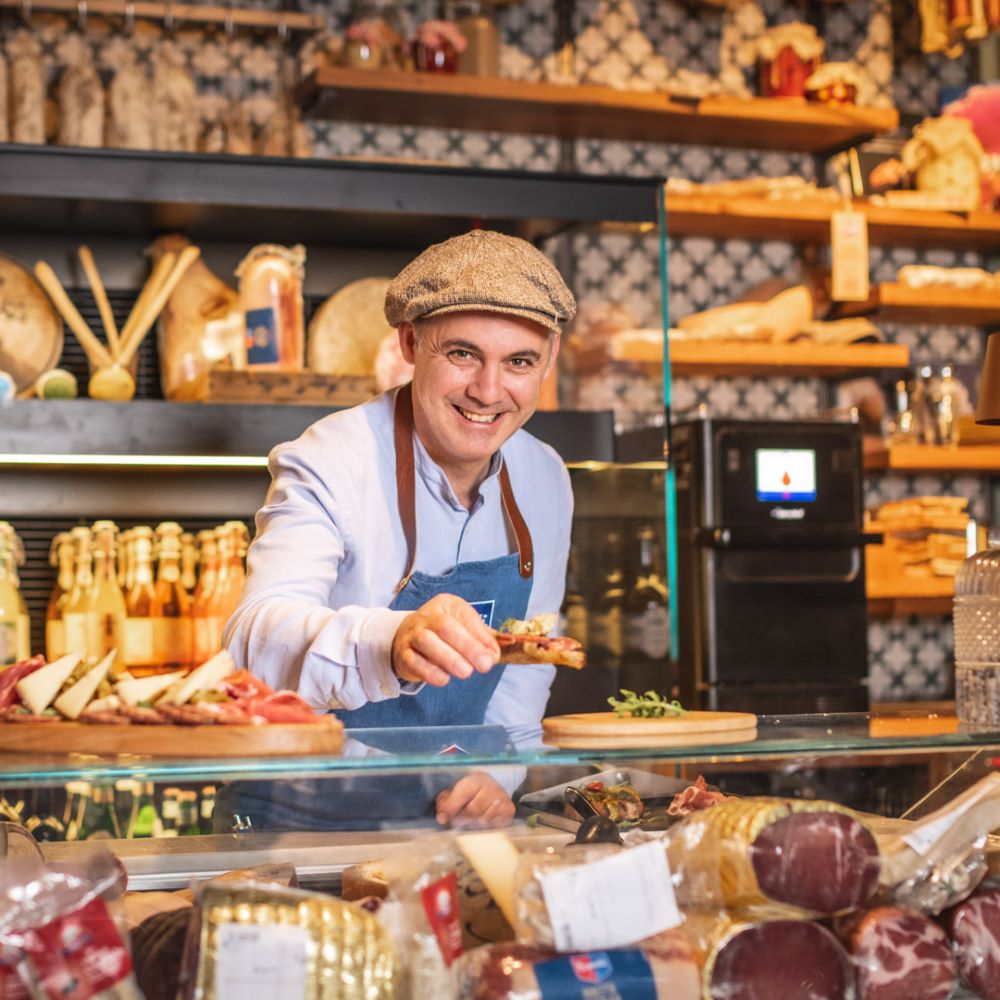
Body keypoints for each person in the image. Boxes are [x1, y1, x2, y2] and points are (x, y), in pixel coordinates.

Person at [222, 230, 576, 831]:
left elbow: (530, 656)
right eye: (462, 354)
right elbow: (253, 640)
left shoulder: (545, 476)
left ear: (550, 357)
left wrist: (500, 772)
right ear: (411, 342)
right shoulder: (332, 457)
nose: (489, 392)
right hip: (302, 815)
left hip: (447, 821)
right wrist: (391, 641)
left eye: (519, 362)